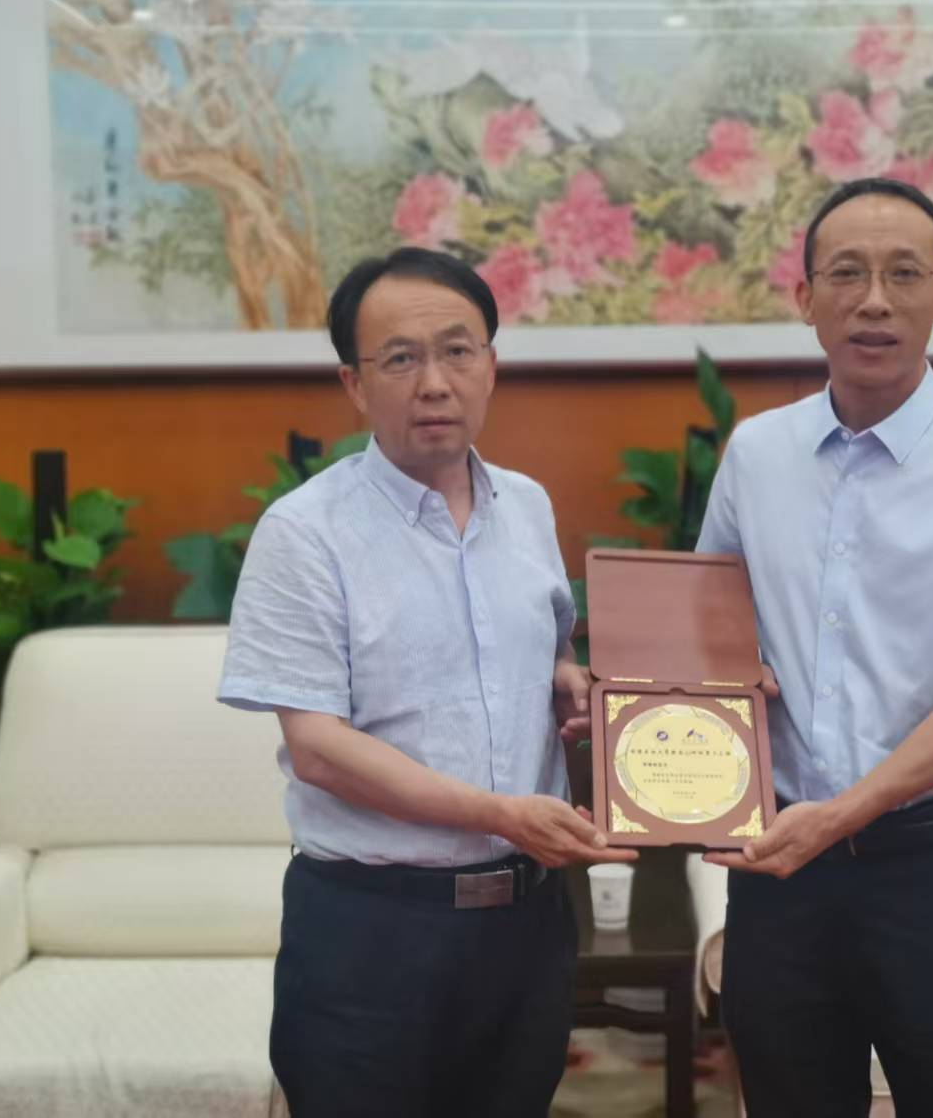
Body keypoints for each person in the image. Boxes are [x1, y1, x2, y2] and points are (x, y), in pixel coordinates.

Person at [217, 246, 635, 1118]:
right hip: (372, 931)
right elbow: (318, 748)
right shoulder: (304, 533)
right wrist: (500, 813)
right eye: (401, 358)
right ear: (354, 383)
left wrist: (565, 680)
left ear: (492, 365)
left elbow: (546, 648)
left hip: (524, 929)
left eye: (457, 350)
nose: (435, 382)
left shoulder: (527, 506)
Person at [697, 177, 933, 1117]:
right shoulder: (756, 453)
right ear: (806, 297)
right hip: (782, 874)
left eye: (904, 274)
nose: (874, 299)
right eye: (847, 273)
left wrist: (841, 815)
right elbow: (704, 632)